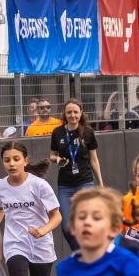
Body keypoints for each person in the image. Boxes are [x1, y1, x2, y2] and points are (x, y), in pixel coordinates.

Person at [0, 141, 62, 276]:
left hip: (40, 244)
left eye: (16, 159)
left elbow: (56, 216)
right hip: (15, 243)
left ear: (25, 161)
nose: (11, 164)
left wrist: (43, 230)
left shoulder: (39, 185)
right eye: (7, 160)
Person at [50, 100, 104, 250]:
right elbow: (52, 155)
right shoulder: (57, 132)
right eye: (69, 112)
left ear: (81, 113)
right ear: (65, 114)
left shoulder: (88, 132)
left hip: (85, 182)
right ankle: (81, 253)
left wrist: (100, 184)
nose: (72, 115)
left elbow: (94, 159)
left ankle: (89, 253)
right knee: (67, 228)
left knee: (86, 223)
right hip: (65, 185)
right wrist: (57, 159)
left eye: (75, 112)